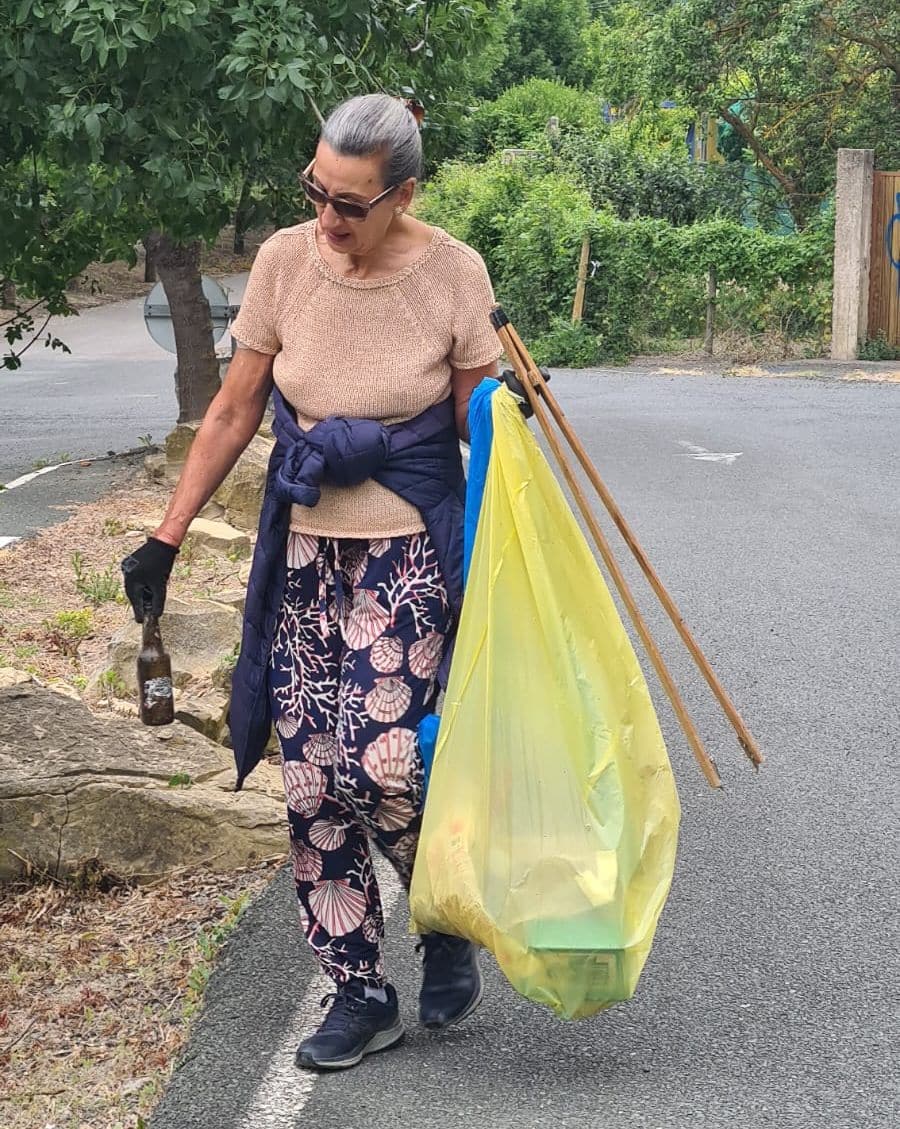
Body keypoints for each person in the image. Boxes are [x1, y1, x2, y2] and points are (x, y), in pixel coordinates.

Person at [121, 93, 503, 1072]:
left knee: (383, 764)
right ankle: (359, 989)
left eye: (350, 205)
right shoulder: (286, 263)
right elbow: (235, 409)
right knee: (311, 780)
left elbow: (482, 429)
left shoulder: (455, 276)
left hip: (406, 548)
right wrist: (165, 536)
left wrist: (524, 428)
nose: (327, 221)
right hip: (303, 549)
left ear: (404, 193)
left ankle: (446, 910)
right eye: (315, 193)